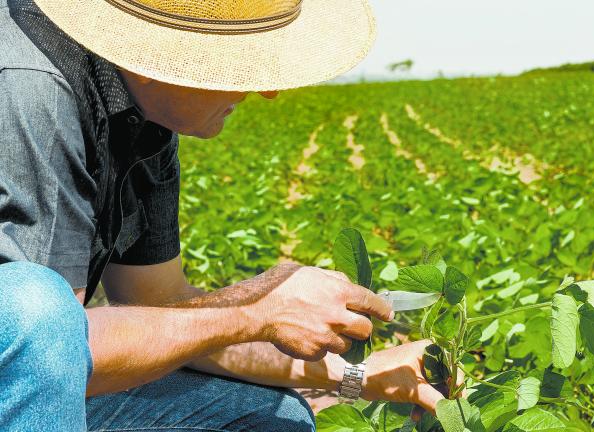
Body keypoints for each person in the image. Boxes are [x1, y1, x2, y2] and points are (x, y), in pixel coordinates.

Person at [0, 0, 446, 430]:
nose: (268, 91)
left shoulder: (148, 115)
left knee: (268, 419)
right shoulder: (31, 90)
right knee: (38, 302)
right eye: (239, 64)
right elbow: (44, 352)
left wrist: (357, 376)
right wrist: (255, 310)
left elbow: (162, 306)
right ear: (152, 59)